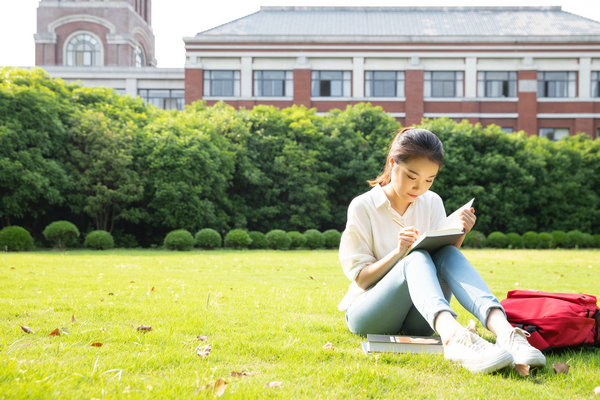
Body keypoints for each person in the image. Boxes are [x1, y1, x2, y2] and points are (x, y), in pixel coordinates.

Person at [338, 127, 545, 373]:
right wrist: (398, 253)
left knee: (448, 253)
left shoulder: (432, 201)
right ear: (393, 163)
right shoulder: (364, 206)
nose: (419, 187)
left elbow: (442, 260)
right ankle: (454, 338)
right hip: (369, 313)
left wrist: (460, 232)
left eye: (429, 179)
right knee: (414, 258)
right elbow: (361, 279)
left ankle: (506, 333)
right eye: (412, 176)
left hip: (422, 317)